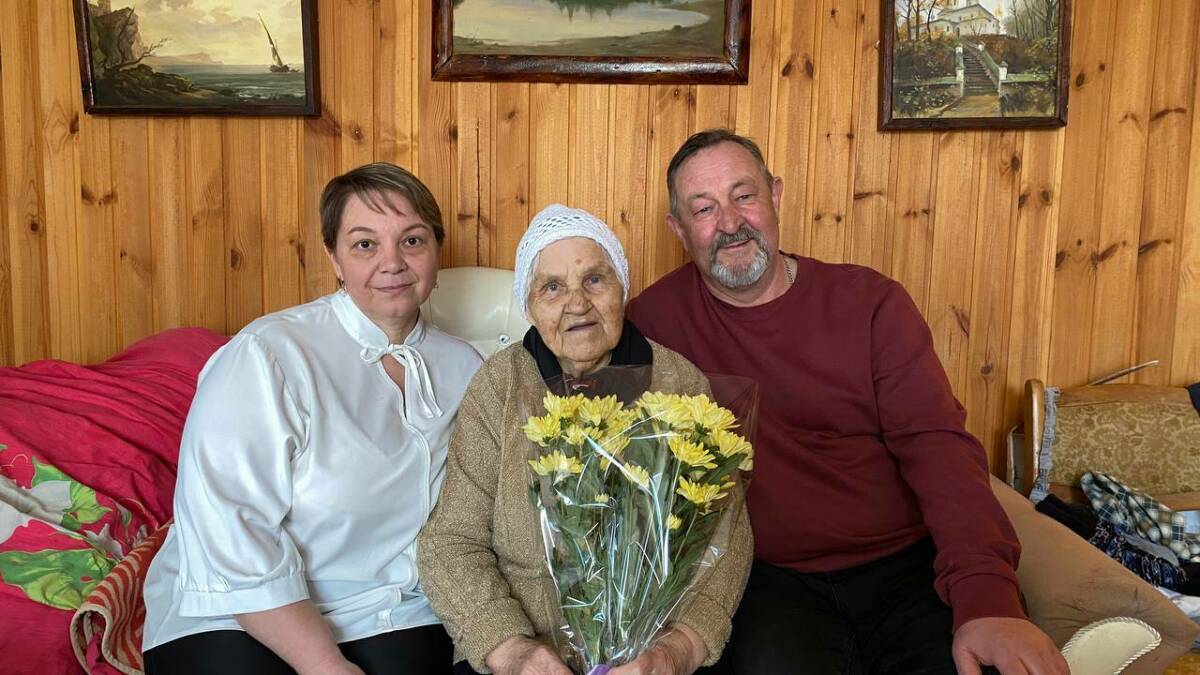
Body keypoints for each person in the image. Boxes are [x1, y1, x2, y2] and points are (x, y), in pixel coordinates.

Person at [626, 129, 1070, 675]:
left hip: (905, 567)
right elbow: (566, 373)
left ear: (776, 196)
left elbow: (941, 452)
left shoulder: (870, 304)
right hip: (764, 581)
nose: (731, 222)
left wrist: (987, 597)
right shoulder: (651, 325)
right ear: (678, 229)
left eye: (744, 195)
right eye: (704, 208)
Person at [142, 163, 483, 675]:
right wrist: (325, 665)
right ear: (334, 258)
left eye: (411, 241)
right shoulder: (269, 354)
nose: (392, 263)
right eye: (365, 244)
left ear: (436, 250)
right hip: (235, 611)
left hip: (391, 609)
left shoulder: (466, 367)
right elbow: (231, 527)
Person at [417, 204, 752, 675]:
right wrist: (511, 650)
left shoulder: (678, 381)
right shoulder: (500, 385)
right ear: (529, 306)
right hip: (524, 654)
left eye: (595, 279)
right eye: (552, 287)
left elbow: (725, 538)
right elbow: (451, 542)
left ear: (622, 289)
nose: (577, 303)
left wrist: (674, 652)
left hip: (650, 656)